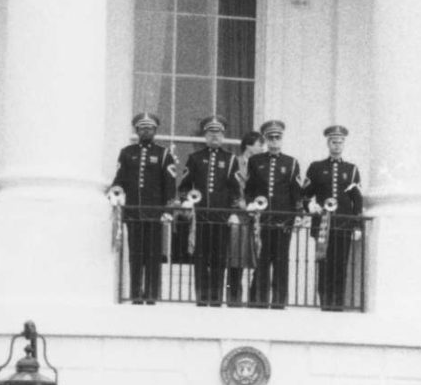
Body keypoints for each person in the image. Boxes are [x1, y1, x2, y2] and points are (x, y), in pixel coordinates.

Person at [110, 112, 180, 304]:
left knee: (153, 255)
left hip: (154, 214)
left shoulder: (164, 154)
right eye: (142, 128)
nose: (146, 130)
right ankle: (135, 294)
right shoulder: (127, 152)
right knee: (135, 255)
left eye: (149, 128)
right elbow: (119, 179)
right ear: (137, 130)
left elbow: (170, 185)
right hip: (133, 214)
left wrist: (167, 210)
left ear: (155, 130)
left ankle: (151, 294)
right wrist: (114, 192)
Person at [183, 116, 246, 308]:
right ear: (205, 135)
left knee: (219, 261)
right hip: (200, 219)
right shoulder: (195, 158)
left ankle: (216, 299)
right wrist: (187, 202)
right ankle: (202, 299)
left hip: (221, 219)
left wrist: (234, 211)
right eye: (211, 132)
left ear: (223, 135)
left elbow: (236, 191)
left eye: (218, 132)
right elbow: (184, 187)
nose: (214, 136)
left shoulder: (230, 159)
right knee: (200, 261)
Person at [241, 118, 300, 308]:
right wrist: (250, 204)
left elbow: (296, 193)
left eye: (278, 138)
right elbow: (249, 189)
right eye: (271, 138)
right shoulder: (255, 161)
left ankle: (278, 304)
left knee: (281, 264)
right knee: (262, 262)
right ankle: (258, 302)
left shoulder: (291, 163)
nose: (275, 141)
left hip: (283, 223)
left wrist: (297, 216)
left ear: (282, 139)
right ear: (266, 140)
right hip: (262, 221)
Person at [306, 125, 363, 311]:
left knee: (340, 267)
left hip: (344, 226)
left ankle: (337, 306)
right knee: (324, 266)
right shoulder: (316, 167)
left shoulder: (352, 169)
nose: (337, 146)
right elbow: (305, 193)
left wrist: (356, 226)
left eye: (340, 142)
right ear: (328, 143)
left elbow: (357, 200)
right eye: (333, 142)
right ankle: (325, 304)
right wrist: (310, 205)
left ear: (343, 144)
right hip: (323, 226)